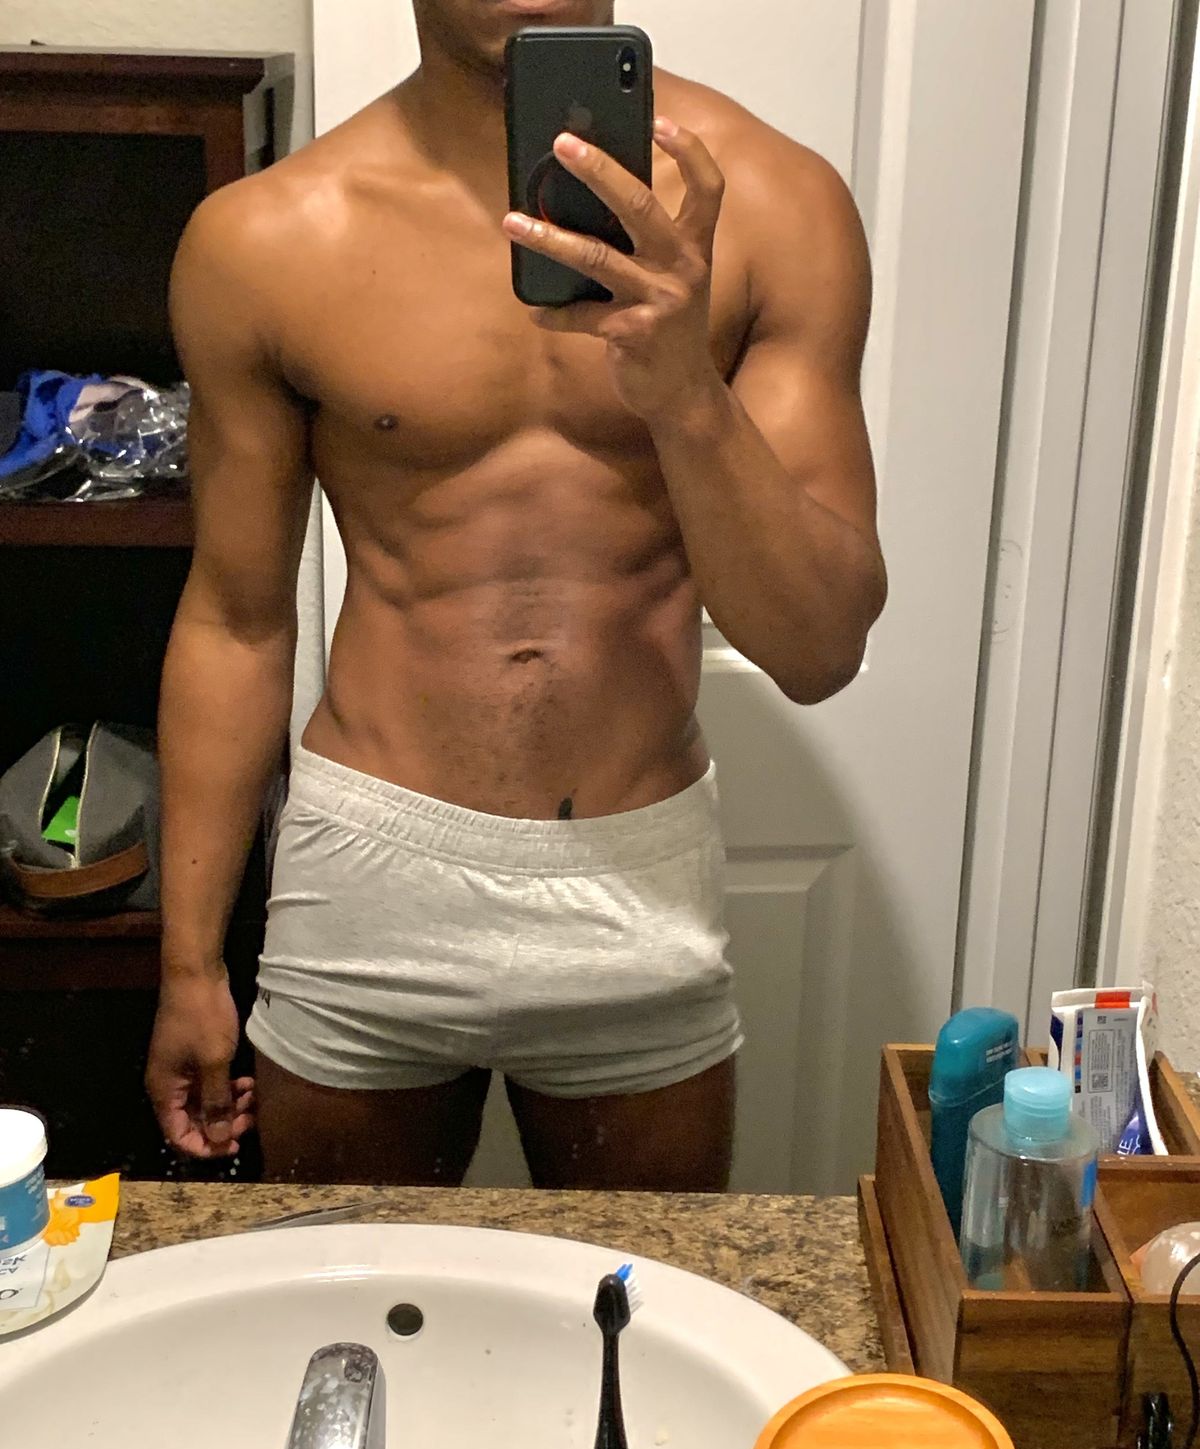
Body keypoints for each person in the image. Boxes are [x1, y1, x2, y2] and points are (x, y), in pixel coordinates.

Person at [145, 0, 885, 1191]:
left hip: (636, 877)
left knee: (635, 1300)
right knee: (354, 1289)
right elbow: (237, 621)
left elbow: (820, 647)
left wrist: (686, 393)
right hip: (368, 871)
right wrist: (189, 965)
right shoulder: (267, 239)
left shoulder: (773, 208)